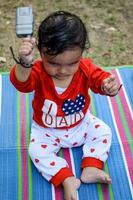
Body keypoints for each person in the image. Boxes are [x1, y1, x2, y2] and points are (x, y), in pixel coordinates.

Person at [10, 11, 121, 200]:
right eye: (53, 63)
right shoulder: (37, 71)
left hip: (81, 125)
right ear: (41, 52)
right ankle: (66, 178)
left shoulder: (85, 68)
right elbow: (21, 84)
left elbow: (100, 79)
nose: (62, 70)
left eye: (71, 63)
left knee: (104, 131)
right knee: (36, 151)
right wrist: (25, 64)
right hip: (47, 130)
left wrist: (108, 86)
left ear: (81, 55)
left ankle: (91, 167)